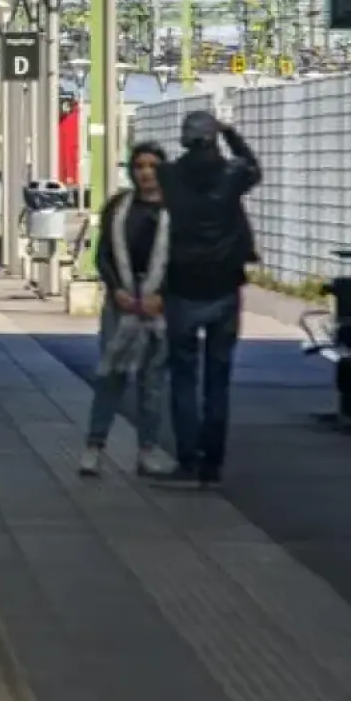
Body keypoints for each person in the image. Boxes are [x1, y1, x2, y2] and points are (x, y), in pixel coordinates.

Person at [155, 109, 261, 488]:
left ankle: (187, 460)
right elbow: (253, 167)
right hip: (224, 287)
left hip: (182, 286)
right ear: (213, 136)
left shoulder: (168, 176)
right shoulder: (231, 176)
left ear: (184, 138)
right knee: (218, 378)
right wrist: (232, 132)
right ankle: (212, 465)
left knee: (183, 377)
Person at [80, 142, 176, 478]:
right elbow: (102, 253)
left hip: (159, 305)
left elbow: (183, 259)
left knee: (152, 381)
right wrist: (115, 288)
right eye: (140, 166)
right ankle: (94, 446)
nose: (146, 172)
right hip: (120, 301)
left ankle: (147, 450)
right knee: (111, 374)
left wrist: (163, 295)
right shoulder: (119, 207)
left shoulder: (177, 210)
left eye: (152, 165)